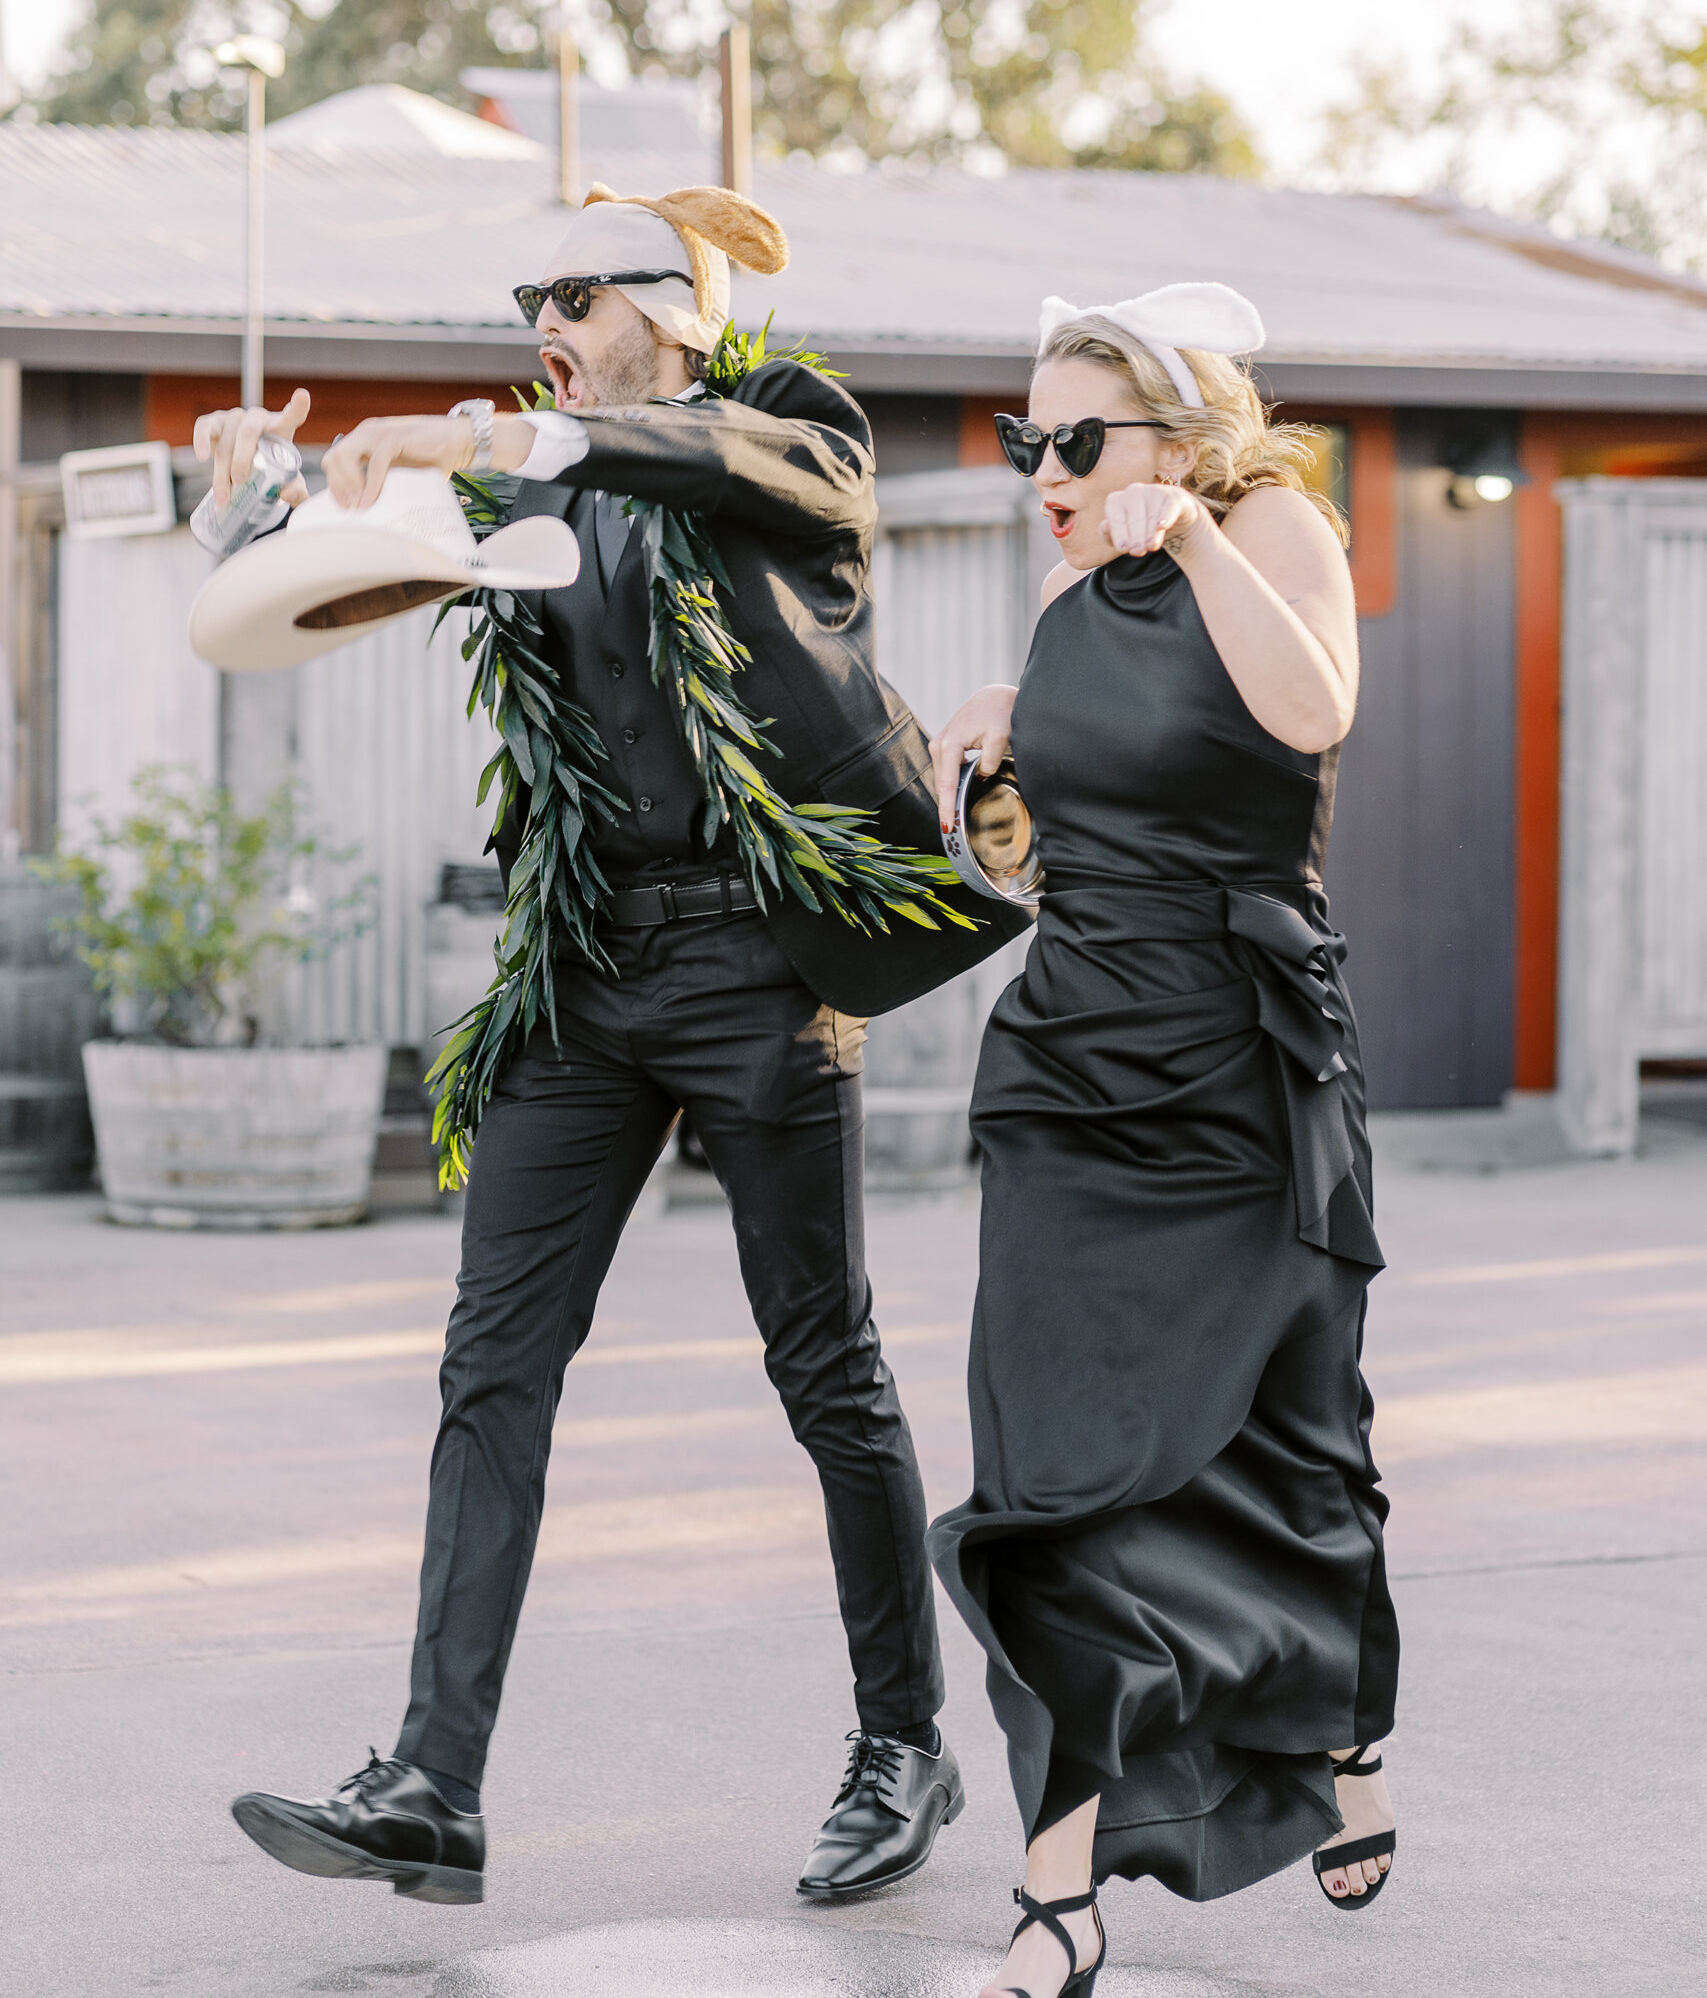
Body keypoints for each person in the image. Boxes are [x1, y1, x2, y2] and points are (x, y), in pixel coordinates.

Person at [203, 182, 1030, 1907]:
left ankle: (905, 1743)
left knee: (827, 1367)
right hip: (583, 969)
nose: (540, 319)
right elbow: (340, 573)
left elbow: (725, 464)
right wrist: (259, 512)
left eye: (570, 290)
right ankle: (434, 1781)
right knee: (489, 1364)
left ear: (673, 307)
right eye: (530, 294)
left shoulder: (795, 430)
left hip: (759, 956)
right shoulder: (525, 468)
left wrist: (502, 434)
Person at [925, 284, 1399, 1998]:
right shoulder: (1062, 593)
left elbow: (1311, 710)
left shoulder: (1270, 525)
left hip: (1241, 1079)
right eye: (1021, 439)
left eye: (1074, 439)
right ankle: (1060, 1887)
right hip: (1071, 1073)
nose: (1039, 469)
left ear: (1180, 439)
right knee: (1043, 1480)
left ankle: (1337, 1730)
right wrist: (994, 758)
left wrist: (1196, 537)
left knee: (1288, 1444)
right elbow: (1059, 858)